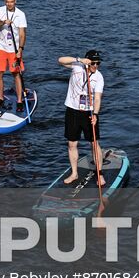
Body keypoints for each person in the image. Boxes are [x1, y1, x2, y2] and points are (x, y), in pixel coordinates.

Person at [59, 51, 105, 186]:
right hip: (72, 111)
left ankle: (99, 173)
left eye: (98, 63)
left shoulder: (99, 77)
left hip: (89, 113)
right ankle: (74, 173)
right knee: (72, 144)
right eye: (93, 63)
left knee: (94, 144)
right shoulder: (77, 66)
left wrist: (95, 114)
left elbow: (97, 98)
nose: (95, 66)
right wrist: (79, 60)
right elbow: (60, 60)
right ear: (87, 61)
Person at [0, 0, 27, 109]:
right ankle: (1, 98)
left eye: (11, 2)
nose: (9, 4)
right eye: (7, 2)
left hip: (14, 49)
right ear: (5, 1)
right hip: (0, 46)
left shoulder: (20, 14)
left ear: (15, 1)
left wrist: (20, 49)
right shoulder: (0, 10)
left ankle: (20, 101)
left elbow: (22, 34)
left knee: (16, 74)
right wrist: (3, 22)